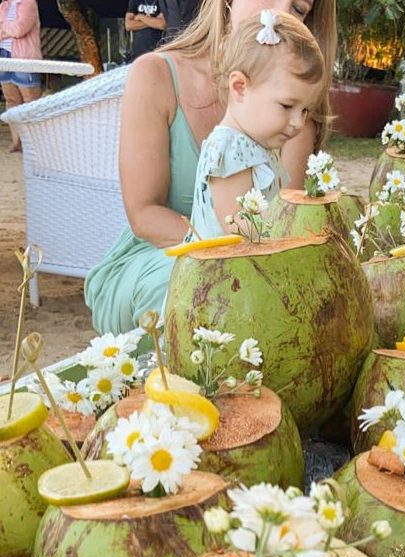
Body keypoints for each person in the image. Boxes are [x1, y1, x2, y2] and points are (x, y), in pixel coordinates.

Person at [84, 0, 336, 335]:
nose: (281, 13)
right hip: (156, 255)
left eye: (300, 9)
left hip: (252, 262)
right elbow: (144, 214)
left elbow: (283, 219)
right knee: (201, 295)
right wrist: (221, 255)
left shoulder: (292, 113)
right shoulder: (155, 74)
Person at [190, 10, 324, 238]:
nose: (298, 122)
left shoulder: (256, 146)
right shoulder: (229, 148)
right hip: (222, 270)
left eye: (305, 110)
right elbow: (238, 224)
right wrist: (290, 236)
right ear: (240, 87)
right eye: (286, 106)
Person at [0, 0, 42, 153]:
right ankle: (16, 140)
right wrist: (8, 30)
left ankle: (34, 143)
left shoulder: (28, 3)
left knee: (30, 101)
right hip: (4, 55)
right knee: (11, 100)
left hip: (24, 57)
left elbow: (19, 30)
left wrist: (3, 27)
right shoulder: (4, 5)